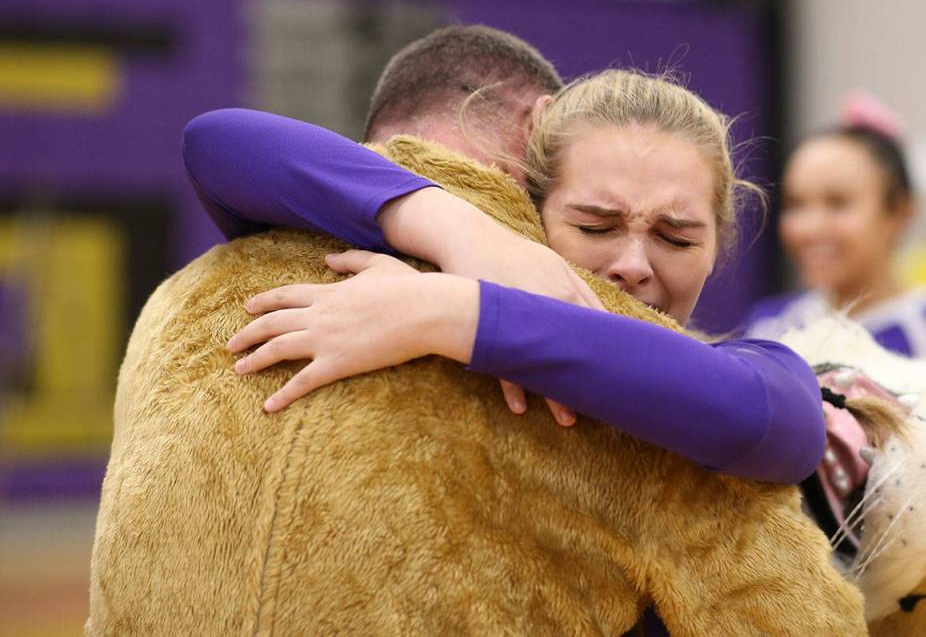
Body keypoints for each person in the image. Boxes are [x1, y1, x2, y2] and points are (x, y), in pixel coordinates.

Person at [183, 26, 825, 486]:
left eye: (677, 237)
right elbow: (216, 141)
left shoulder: (741, 370)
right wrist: (461, 231)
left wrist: (447, 312)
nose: (634, 264)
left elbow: (770, 421)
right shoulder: (396, 274)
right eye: (595, 225)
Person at [745, 94, 926, 358]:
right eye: (795, 204)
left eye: (837, 203)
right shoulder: (769, 327)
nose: (809, 228)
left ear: (899, 212)